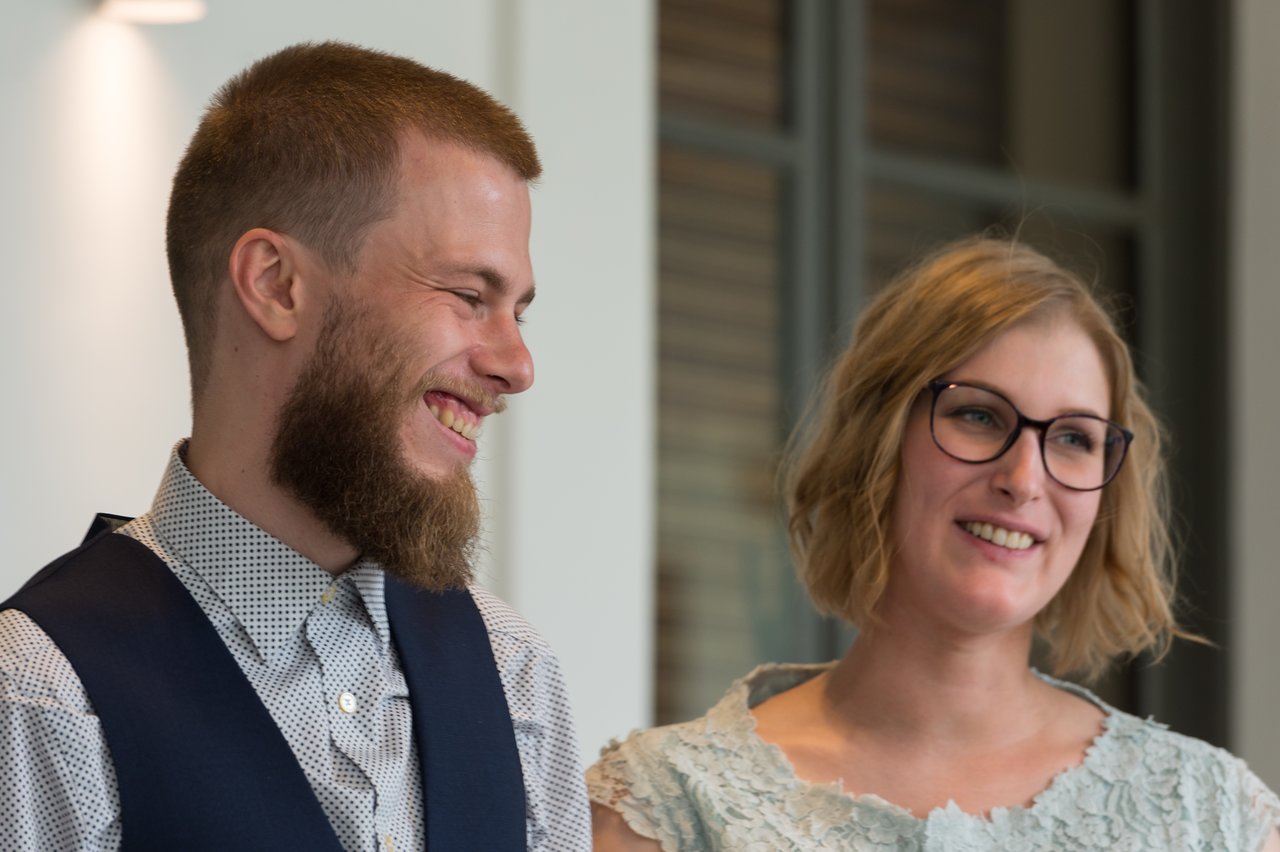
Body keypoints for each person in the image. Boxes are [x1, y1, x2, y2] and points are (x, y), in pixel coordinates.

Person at [0, 42, 591, 850]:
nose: (516, 366)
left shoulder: (514, 674)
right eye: (467, 296)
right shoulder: (41, 692)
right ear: (277, 285)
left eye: (517, 311)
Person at [588, 237, 1280, 850]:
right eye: (979, 415)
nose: (1023, 480)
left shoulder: (1214, 817)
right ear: (876, 440)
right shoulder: (662, 808)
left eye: (1073, 438)